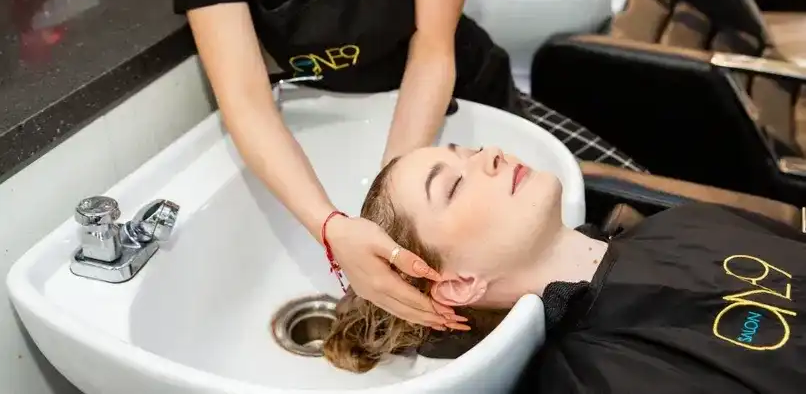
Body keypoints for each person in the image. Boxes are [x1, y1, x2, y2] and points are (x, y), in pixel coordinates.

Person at [173, 0, 645, 332]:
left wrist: (396, 214)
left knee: (633, 196)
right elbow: (245, 101)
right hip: (340, 114)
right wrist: (332, 227)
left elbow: (433, 49)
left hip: (461, 105)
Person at [323, 144, 806, 393]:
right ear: (459, 283)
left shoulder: (682, 222)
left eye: (467, 152)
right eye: (452, 187)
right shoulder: (598, 381)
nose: (490, 153)